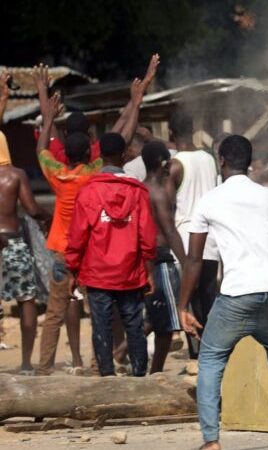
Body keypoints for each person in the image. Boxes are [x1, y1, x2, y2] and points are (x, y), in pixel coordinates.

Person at [178, 135, 268, 450]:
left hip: (237, 295)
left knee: (210, 359)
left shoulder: (209, 200)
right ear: (249, 162)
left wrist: (182, 305)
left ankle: (211, 441)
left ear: (221, 160)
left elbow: (195, 259)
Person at [33, 56, 159, 375]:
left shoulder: (58, 175)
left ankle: (45, 370)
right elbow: (121, 135)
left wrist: (45, 111)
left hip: (63, 252)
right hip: (91, 252)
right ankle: (102, 364)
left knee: (54, 314)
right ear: (92, 152)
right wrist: (135, 102)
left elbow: (40, 153)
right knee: (106, 313)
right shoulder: (93, 174)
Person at [65, 129, 157, 377]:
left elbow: (77, 237)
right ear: (124, 156)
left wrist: (73, 270)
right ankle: (139, 378)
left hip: (97, 273)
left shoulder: (89, 191)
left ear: (100, 155)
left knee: (101, 327)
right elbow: (147, 237)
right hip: (131, 271)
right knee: (134, 326)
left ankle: (106, 377)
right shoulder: (137, 192)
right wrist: (148, 270)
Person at [0, 73, 52, 374]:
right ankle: (26, 362)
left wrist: (4, 97)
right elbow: (32, 209)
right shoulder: (16, 175)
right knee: (27, 300)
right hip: (13, 241)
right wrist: (49, 217)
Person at [167, 108, 219, 359]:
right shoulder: (209, 159)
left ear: (171, 134)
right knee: (208, 303)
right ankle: (211, 359)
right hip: (211, 242)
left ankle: (197, 360)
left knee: (188, 307)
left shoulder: (175, 165)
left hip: (186, 244)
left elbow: (166, 209)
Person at [140, 140, 187, 373]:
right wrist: (188, 263)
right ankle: (155, 371)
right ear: (161, 163)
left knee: (155, 316)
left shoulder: (139, 188)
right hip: (159, 259)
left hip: (143, 259)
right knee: (166, 323)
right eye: (168, 161)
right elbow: (169, 231)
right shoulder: (157, 193)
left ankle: (136, 361)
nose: (171, 165)